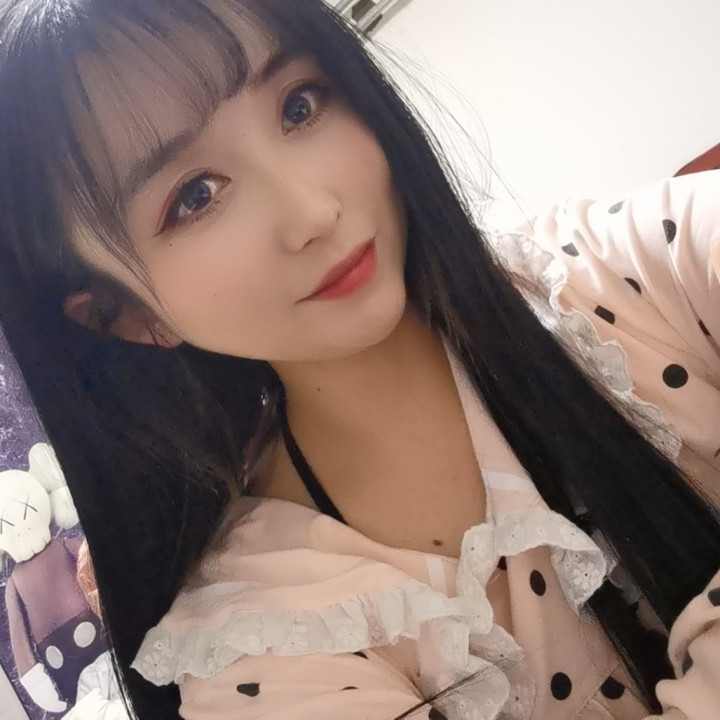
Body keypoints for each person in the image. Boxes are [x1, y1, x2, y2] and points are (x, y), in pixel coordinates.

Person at [0, 1, 719, 718]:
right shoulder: (263, 652)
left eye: (300, 106)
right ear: (127, 315)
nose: (313, 211)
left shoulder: (601, 276)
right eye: (196, 196)